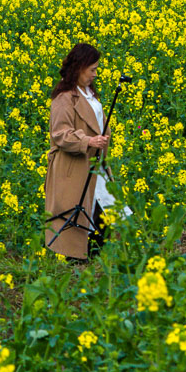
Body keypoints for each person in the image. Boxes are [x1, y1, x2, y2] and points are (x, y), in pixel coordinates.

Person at [44, 43, 120, 263]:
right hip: (74, 167)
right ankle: (79, 264)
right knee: (79, 215)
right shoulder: (64, 97)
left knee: (105, 210)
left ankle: (94, 262)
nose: (95, 75)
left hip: (95, 163)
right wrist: (88, 141)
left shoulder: (87, 93)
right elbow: (60, 134)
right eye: (92, 70)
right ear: (79, 67)